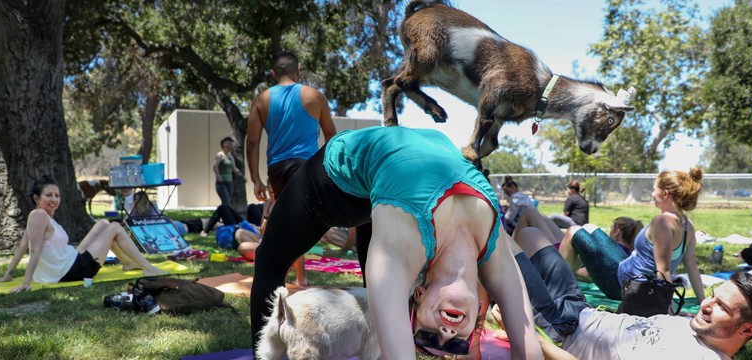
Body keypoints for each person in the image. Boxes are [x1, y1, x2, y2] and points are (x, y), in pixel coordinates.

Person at [250, 126, 542, 359]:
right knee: (269, 260)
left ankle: (375, 331)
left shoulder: (404, 243)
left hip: (394, 178)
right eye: (452, 345)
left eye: (429, 338)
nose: (446, 335)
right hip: (339, 178)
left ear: (419, 295)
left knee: (380, 285)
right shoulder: (485, 240)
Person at [513, 226, 752, 360]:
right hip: (581, 310)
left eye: (721, 307)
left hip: (561, 328)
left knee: (499, 241)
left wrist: (534, 341)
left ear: (748, 330)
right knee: (529, 233)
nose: (705, 304)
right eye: (713, 296)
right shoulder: (702, 329)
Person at [246, 50, 337, 287]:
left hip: (277, 169)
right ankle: (300, 278)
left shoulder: (261, 100)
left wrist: (255, 178)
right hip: (306, 166)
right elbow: (331, 136)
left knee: (285, 220)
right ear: (298, 69)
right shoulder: (314, 96)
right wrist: (329, 172)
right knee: (300, 222)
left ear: (272, 73)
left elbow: (252, 142)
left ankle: (289, 275)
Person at [558, 168, 706, 304]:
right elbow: (692, 266)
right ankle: (569, 275)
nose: (652, 194)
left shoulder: (662, 222)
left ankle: (554, 286)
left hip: (622, 286)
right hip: (625, 268)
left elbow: (664, 271)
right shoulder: (688, 225)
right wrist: (702, 302)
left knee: (572, 232)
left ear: (665, 194)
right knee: (589, 228)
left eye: (654, 189)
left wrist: (667, 310)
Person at [0, 176, 167, 293]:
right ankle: (148, 268)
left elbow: (23, 245)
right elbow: (33, 251)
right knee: (114, 227)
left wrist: (8, 273)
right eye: (49, 195)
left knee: (103, 223)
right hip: (74, 269)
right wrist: (25, 282)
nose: (54, 199)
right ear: (36, 198)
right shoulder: (38, 215)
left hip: (71, 259)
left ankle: (128, 263)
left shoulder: (40, 217)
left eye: (57, 195)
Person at [213, 136, 245, 208]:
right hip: (221, 184)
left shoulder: (230, 156)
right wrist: (218, 175)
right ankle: (217, 217)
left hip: (229, 183)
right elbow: (215, 167)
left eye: (232, 144)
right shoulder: (220, 155)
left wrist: (242, 176)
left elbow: (234, 169)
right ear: (224, 145)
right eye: (229, 144)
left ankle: (223, 217)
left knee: (227, 203)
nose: (231, 146)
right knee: (226, 203)